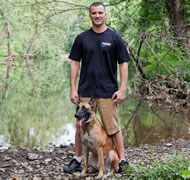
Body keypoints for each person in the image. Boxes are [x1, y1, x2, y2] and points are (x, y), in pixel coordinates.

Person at [64, 2, 130, 174]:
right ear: (90, 15)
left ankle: (122, 161)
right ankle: (77, 160)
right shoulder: (82, 38)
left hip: (108, 91)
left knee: (113, 127)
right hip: (85, 91)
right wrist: (73, 89)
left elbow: (123, 63)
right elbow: (74, 63)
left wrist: (122, 89)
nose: (97, 16)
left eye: (100, 12)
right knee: (80, 126)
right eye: (94, 13)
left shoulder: (114, 38)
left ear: (105, 15)